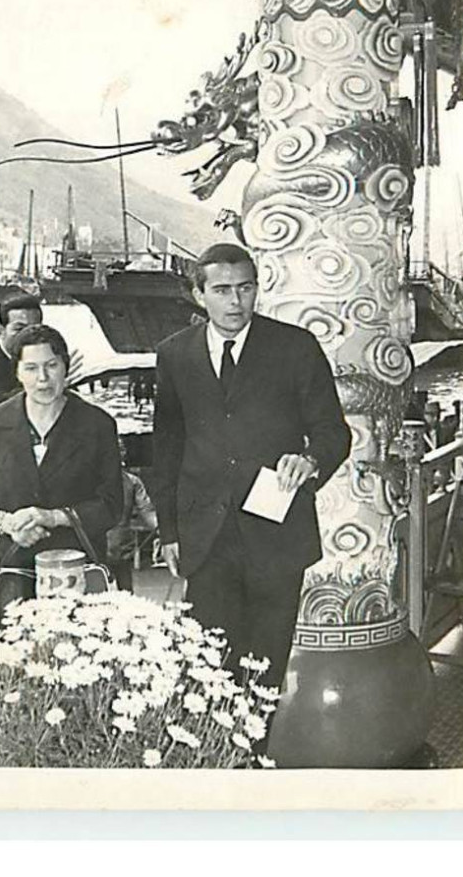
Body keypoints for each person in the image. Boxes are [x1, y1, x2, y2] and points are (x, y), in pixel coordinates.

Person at [153, 243, 351, 692]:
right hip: (206, 539)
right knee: (208, 670)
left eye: (245, 288)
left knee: (263, 673)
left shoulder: (295, 347)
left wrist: (310, 461)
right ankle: (217, 761)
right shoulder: (174, 354)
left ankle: (253, 760)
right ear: (198, 294)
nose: (235, 301)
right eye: (221, 290)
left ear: (257, 289)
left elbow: (333, 432)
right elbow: (166, 449)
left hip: (276, 537)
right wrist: (169, 531)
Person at [0, 324, 123, 620]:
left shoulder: (97, 424)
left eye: (51, 365)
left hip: (75, 571)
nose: (43, 378)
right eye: (31, 368)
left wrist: (54, 517)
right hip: (8, 572)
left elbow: (112, 506)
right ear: (18, 373)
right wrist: (8, 524)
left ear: (66, 366)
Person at [107, 437, 158, 591]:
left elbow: (147, 511)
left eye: (121, 450)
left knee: (125, 597)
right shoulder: (88, 481)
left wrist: (165, 532)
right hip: (93, 550)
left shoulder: (133, 482)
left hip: (121, 551)